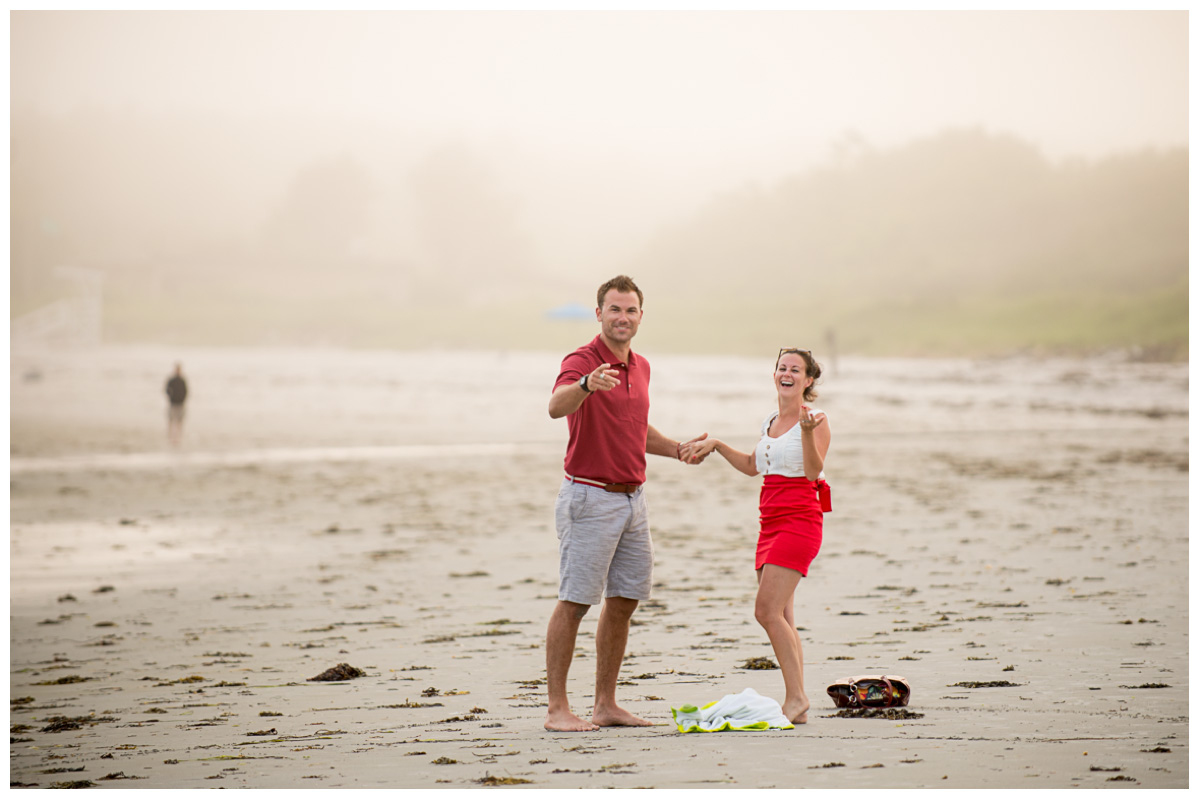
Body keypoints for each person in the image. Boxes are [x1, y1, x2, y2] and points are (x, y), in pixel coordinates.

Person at [545, 275, 709, 732]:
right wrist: (586, 385)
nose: (622, 318)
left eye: (630, 310)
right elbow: (556, 406)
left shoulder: (642, 366)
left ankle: (605, 704)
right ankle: (557, 709)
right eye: (614, 309)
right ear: (598, 313)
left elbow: (637, 429)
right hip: (588, 497)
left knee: (624, 601)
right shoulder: (582, 360)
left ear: (640, 315)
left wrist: (677, 448)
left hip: (633, 500)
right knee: (575, 601)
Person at [681, 348, 832, 724]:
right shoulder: (769, 421)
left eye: (796, 369)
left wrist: (810, 435)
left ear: (808, 380)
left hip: (799, 520)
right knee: (782, 614)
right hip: (770, 521)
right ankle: (796, 700)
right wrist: (715, 445)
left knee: (765, 611)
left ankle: (797, 698)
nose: (787, 373)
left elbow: (814, 472)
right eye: (782, 367)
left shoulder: (815, 420)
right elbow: (752, 466)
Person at [165, 363, 188, 447]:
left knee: (179, 421)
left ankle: (178, 437)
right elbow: (167, 390)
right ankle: (171, 437)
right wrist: (171, 398)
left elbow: (186, 391)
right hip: (173, 403)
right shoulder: (172, 380)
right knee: (171, 420)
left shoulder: (182, 380)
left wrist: (182, 399)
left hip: (180, 403)